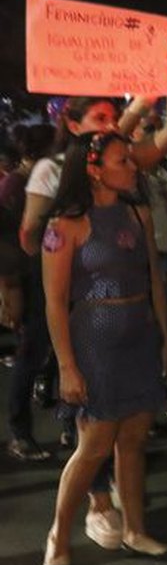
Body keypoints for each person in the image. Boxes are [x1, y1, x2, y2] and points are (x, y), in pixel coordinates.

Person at [41, 132, 167, 565]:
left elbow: (154, 279)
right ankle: (58, 535)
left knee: (134, 440)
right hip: (94, 344)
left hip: (139, 335)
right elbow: (55, 301)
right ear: (95, 168)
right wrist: (67, 365)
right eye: (124, 161)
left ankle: (136, 529)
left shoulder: (138, 213)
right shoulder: (63, 225)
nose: (133, 166)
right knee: (95, 445)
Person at [3, 123, 55, 461]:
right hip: (30, 280)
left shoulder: (43, 179)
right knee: (31, 355)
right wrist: (10, 290)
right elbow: (10, 244)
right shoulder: (16, 185)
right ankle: (20, 432)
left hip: (50, 275)